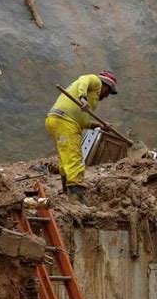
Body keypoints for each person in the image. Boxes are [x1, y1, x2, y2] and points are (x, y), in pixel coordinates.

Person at [45, 70, 118, 203]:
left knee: (66, 157)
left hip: (56, 120)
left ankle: (67, 192)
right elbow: (84, 79)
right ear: (105, 85)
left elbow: (83, 122)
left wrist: (100, 126)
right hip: (65, 122)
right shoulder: (95, 81)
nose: (107, 96)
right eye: (109, 92)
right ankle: (76, 197)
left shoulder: (88, 99)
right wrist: (82, 97)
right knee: (75, 158)